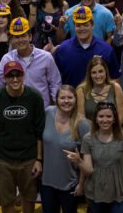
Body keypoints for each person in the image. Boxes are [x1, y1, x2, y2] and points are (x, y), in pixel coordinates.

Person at [0, 60, 45, 213]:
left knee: (29, 199)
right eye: (10, 76)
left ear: (23, 75)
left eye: (18, 75)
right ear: (4, 78)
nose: (15, 79)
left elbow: (39, 131)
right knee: (6, 202)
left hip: (28, 158)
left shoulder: (35, 97)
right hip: (3, 159)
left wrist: (38, 159)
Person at [73, 101, 123, 213]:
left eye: (109, 116)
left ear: (114, 119)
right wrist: (79, 161)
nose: (105, 120)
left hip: (119, 193)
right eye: (101, 116)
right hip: (95, 192)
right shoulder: (88, 139)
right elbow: (88, 170)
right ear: (96, 119)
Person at [41, 84, 90, 213]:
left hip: (70, 184)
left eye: (70, 97)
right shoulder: (47, 113)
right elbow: (38, 139)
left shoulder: (82, 124)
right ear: (56, 99)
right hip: (47, 183)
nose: (66, 101)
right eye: (62, 98)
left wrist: (81, 184)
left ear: (75, 100)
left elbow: (86, 158)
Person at [0, 17, 62, 108]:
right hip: (17, 110)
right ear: (12, 39)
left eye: (23, 35)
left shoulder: (46, 57)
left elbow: (55, 83)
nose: (20, 40)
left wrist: (56, 107)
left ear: (30, 37)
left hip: (42, 111)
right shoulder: (7, 59)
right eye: (17, 37)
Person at [54, 6, 121, 88]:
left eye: (85, 25)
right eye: (78, 25)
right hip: (70, 99)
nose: (82, 29)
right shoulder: (63, 49)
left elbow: (115, 79)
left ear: (92, 25)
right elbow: (54, 80)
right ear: (74, 27)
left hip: (99, 99)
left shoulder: (106, 50)